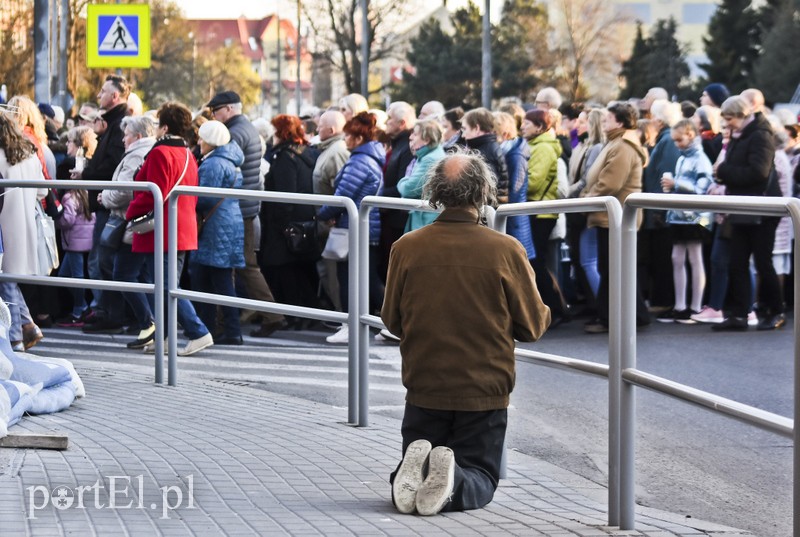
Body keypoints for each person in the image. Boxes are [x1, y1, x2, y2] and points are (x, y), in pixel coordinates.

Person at [383, 151, 550, 516]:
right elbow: (533, 326)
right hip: (483, 388)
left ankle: (413, 468)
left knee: (422, 452)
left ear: (434, 192)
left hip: (425, 384)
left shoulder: (406, 248)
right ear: (484, 191)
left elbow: (391, 321)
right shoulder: (505, 249)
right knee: (481, 473)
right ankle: (456, 480)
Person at [126, 101, 214, 356]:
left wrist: (132, 212)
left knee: (165, 286)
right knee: (166, 284)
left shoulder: (160, 152)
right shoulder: (187, 153)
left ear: (164, 126)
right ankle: (165, 338)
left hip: (163, 226)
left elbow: (152, 192)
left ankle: (198, 331)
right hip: (182, 225)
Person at [206, 90, 286, 338]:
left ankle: (270, 315)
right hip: (244, 207)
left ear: (228, 109)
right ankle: (258, 316)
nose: (214, 116)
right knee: (240, 265)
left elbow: (225, 163)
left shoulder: (235, 132)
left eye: (215, 111)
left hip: (237, 209)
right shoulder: (245, 127)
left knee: (242, 266)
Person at [713, 96, 782, 331]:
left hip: (762, 209)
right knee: (737, 262)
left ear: (742, 115)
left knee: (763, 262)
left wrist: (723, 170)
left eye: (730, 118)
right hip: (743, 207)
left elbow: (758, 173)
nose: (728, 124)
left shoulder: (761, 135)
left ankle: (774, 310)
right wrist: (723, 172)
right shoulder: (740, 135)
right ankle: (740, 313)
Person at [318, 112, 386, 344]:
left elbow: (343, 195)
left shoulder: (359, 161)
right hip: (363, 226)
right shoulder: (370, 158)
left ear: (358, 138)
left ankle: (354, 327)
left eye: (348, 135)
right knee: (365, 279)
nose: (344, 139)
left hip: (355, 228)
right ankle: (390, 322)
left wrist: (323, 214)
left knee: (352, 279)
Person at [582, 102, 650, 333]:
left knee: (612, 268)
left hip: (615, 216)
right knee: (615, 267)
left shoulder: (622, 146)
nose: (603, 123)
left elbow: (610, 183)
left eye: (607, 119)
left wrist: (587, 198)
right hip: (612, 215)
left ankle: (610, 317)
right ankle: (636, 314)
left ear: (619, 122)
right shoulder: (618, 143)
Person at [78, 75, 129, 334]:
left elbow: (112, 166)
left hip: (108, 202)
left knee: (104, 260)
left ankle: (109, 312)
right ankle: (104, 309)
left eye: (103, 91)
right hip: (103, 200)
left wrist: (86, 175)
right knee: (102, 260)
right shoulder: (113, 123)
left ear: (116, 97)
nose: (99, 94)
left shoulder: (120, 125)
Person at [100, 115, 157, 350]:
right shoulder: (147, 151)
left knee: (123, 275)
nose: (123, 139)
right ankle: (153, 326)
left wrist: (104, 197)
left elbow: (124, 190)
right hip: (141, 223)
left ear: (138, 137)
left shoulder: (136, 155)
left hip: (131, 224)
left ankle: (149, 324)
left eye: (127, 135)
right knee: (143, 277)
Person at [259, 115, 320, 325]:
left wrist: (281, 224)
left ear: (281, 132)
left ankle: (296, 315)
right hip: (304, 220)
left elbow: (286, 193)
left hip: (286, 223)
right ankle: (307, 315)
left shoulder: (285, 157)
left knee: (286, 270)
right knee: (300, 270)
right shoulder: (307, 153)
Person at [191, 120, 246, 345]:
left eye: (202, 138)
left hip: (215, 225)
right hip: (228, 221)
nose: (199, 142)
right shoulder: (231, 160)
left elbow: (204, 198)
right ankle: (218, 327)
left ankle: (221, 329)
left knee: (212, 279)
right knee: (218, 278)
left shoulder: (213, 164)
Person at [657, 119, 713, 323]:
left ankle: (695, 306)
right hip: (680, 215)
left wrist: (676, 183)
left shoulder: (700, 158)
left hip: (695, 216)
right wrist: (674, 186)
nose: (677, 144)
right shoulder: (683, 158)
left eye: (679, 139)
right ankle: (680, 305)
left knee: (694, 258)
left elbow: (703, 188)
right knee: (677, 258)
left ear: (690, 135)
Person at [0, 112, 48, 351]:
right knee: (10, 278)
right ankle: (28, 326)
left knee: (6, 279)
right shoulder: (29, 155)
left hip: (4, 221)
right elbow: (43, 193)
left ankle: (15, 338)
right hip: (25, 220)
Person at [520, 109, 569, 324]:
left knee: (535, 262)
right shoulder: (534, 146)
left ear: (539, 127)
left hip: (540, 212)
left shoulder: (543, 148)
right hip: (536, 210)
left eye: (527, 124)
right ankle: (551, 308)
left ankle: (554, 309)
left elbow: (533, 183)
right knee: (535, 261)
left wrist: (514, 185)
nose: (522, 127)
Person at [638, 99, 682, 314]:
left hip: (659, 211)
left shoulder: (667, 141)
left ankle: (663, 300)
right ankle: (660, 298)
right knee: (659, 257)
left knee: (662, 258)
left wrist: (657, 209)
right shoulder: (665, 139)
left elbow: (663, 176)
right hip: (658, 209)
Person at [312, 110, 349, 312]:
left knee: (333, 273)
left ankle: (344, 317)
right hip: (326, 221)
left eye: (320, 126)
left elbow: (341, 189)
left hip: (332, 224)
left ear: (332, 129)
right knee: (327, 272)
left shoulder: (337, 152)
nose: (316, 129)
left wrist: (333, 215)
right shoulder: (330, 150)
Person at [378, 102, 417, 280]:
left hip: (398, 219)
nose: (385, 123)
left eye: (389, 119)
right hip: (391, 216)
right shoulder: (398, 145)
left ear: (402, 123)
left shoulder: (408, 147)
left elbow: (404, 185)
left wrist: (376, 195)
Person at [54, 185, 95, 327]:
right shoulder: (86, 193)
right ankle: (83, 307)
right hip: (86, 240)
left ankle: (79, 311)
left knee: (76, 278)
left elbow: (67, 221)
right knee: (64, 276)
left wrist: (56, 219)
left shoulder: (69, 197)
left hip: (73, 243)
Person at [397, 119, 446, 232]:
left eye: (415, 133)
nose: (411, 137)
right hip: (425, 217)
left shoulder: (430, 159)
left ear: (426, 139)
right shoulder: (429, 155)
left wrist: (403, 180)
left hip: (424, 219)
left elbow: (408, 189)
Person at [460, 108, 509, 203]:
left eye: (465, 129)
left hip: (484, 210)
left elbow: (485, 189)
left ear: (477, 128)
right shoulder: (486, 147)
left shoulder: (484, 152)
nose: (463, 135)